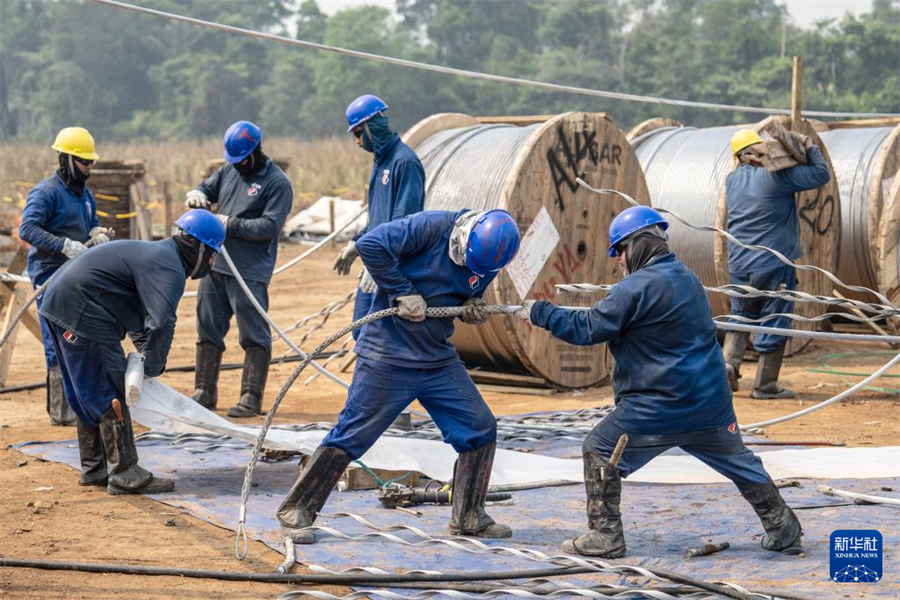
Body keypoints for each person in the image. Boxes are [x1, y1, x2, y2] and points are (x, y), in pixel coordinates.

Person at [516, 206, 802, 558]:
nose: (618, 261)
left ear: (637, 244)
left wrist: (539, 312)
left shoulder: (633, 288)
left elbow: (588, 326)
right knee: (740, 461)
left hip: (658, 407)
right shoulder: (687, 279)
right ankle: (783, 527)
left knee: (599, 449)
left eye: (619, 250)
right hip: (711, 404)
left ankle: (605, 537)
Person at [277, 209, 520, 544]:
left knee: (479, 427)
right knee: (352, 434)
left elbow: (465, 290)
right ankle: (297, 509)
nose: (471, 270)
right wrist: (402, 289)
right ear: (465, 237)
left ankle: (469, 516)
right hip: (387, 355)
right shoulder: (432, 227)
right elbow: (371, 244)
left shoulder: (486, 259)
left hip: (436, 358)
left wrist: (472, 305)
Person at [38, 210, 225, 494]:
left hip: (60, 306)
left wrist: (143, 351)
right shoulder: (170, 267)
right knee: (109, 388)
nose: (212, 262)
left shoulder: (157, 255)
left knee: (84, 390)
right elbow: (161, 323)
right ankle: (125, 473)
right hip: (83, 312)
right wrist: (153, 365)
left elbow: (139, 313)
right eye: (213, 254)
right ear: (200, 247)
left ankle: (94, 466)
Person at [185, 121, 294, 418]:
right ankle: (204, 390)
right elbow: (209, 186)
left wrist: (229, 223)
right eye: (234, 162)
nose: (239, 167)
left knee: (253, 334)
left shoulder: (277, 183)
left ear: (256, 152)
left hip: (249, 271)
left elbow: (269, 226)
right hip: (216, 264)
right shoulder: (230, 170)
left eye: (243, 160)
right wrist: (198, 193)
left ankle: (251, 396)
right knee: (207, 326)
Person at [722, 129, 831, 399]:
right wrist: (808, 145)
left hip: (739, 263)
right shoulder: (777, 177)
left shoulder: (732, 180)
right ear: (760, 151)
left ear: (738, 157)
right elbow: (821, 174)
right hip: (773, 263)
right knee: (776, 318)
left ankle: (728, 366)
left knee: (741, 315)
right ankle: (765, 385)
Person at [19, 127, 114, 427]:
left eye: (91, 163)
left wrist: (95, 235)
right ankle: (62, 410)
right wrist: (62, 244)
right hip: (50, 276)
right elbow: (27, 229)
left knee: (78, 340)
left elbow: (92, 223)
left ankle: (80, 402)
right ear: (68, 160)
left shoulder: (86, 195)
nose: (89, 168)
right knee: (56, 341)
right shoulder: (46, 193)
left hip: (77, 277)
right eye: (85, 163)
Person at [333, 94, 425, 337]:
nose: (356, 141)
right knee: (361, 333)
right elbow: (377, 219)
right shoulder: (379, 163)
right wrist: (357, 243)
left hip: (393, 267)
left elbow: (403, 227)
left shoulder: (404, 162)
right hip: (376, 260)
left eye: (357, 134)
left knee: (376, 337)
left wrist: (383, 268)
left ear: (370, 128)